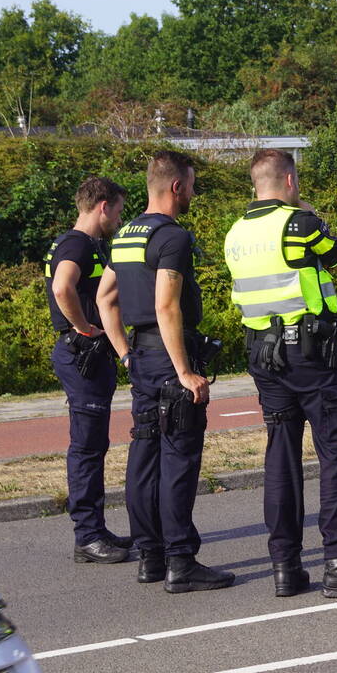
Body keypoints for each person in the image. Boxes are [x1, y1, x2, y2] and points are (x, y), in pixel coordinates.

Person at [223, 149, 337, 598]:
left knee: (280, 455)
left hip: (263, 354)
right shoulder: (300, 224)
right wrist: (309, 214)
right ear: (289, 181)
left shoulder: (236, 233)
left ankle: (285, 565)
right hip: (312, 356)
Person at [97, 150, 234, 593]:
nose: (193, 192)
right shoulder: (173, 236)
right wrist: (185, 373)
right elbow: (166, 303)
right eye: (191, 185)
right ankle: (181, 562)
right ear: (177, 187)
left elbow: (105, 299)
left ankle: (150, 556)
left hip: (141, 359)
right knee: (179, 457)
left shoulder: (128, 234)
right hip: (169, 355)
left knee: (145, 455)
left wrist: (125, 355)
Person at [45, 176, 133, 563]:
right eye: (117, 209)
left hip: (87, 354)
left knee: (94, 445)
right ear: (102, 206)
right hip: (80, 353)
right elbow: (63, 288)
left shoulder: (84, 243)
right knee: (86, 447)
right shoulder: (77, 244)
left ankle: (95, 529)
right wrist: (82, 326)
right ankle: (87, 536)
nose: (118, 216)